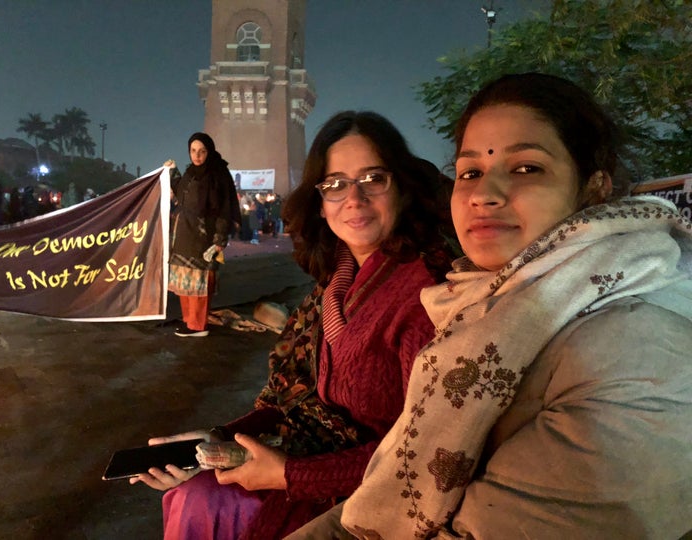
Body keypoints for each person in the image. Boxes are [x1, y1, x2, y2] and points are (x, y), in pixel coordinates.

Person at [288, 73, 692, 539]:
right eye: (471, 172)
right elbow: (388, 485)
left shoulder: (638, 350)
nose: (484, 194)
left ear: (594, 186)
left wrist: (288, 475)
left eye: (526, 168)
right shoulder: (474, 302)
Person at [131, 110, 455, 539]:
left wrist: (289, 475)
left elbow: (427, 454)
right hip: (303, 464)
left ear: (403, 189)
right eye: (335, 184)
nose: (353, 199)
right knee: (194, 493)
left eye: (374, 178)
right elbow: (291, 400)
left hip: (373, 497)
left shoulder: (429, 298)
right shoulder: (331, 287)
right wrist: (214, 442)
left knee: (208, 505)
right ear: (319, 203)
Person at [167, 132, 241, 337]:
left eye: (202, 151)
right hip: (184, 235)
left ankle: (198, 326)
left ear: (209, 151)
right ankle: (188, 321)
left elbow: (223, 210)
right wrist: (173, 172)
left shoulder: (216, 175)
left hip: (203, 237)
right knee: (185, 283)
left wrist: (219, 240)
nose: (197, 155)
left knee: (199, 284)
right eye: (193, 151)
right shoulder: (191, 173)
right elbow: (181, 191)